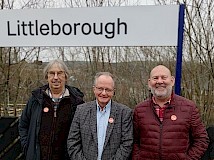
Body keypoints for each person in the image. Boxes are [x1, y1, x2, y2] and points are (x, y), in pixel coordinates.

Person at [132, 65, 209, 160]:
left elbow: (201, 139)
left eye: (164, 77)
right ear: (149, 83)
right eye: (155, 78)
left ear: (172, 81)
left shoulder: (189, 108)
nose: (160, 81)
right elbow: (134, 141)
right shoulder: (139, 110)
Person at [18, 59, 84, 160]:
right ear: (47, 76)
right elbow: (23, 124)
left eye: (60, 73)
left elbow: (82, 133)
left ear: (66, 76)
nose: (56, 77)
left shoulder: (76, 102)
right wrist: (28, 148)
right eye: (52, 73)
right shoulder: (36, 99)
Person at [67, 72, 133, 160]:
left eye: (108, 90)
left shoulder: (124, 113)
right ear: (94, 89)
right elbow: (73, 141)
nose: (104, 93)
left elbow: (127, 143)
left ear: (113, 91)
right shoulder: (81, 111)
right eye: (100, 89)